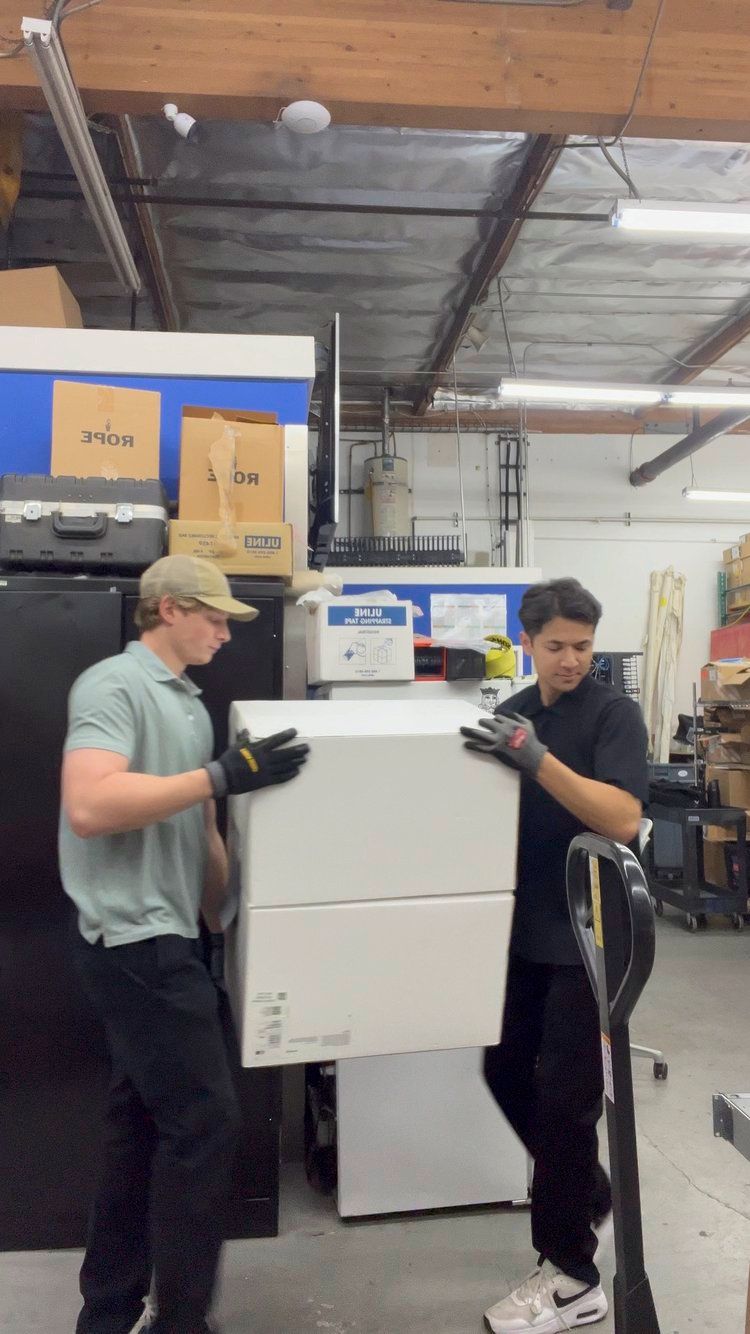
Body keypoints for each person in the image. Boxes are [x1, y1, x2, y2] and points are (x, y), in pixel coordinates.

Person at [59, 555, 309, 1334]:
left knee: (140, 1127)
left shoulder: (190, 705)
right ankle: (181, 1322)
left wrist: (228, 922)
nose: (226, 632)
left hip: (175, 938)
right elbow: (90, 805)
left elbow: (200, 827)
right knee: (204, 1123)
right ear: (168, 608)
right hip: (133, 939)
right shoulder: (113, 686)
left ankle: (108, 1312)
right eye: (214, 616)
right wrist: (219, 777)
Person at [460, 578, 649, 1334]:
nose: (572, 660)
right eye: (557, 646)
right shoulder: (514, 715)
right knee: (503, 1071)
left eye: (583, 647)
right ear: (528, 642)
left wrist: (536, 760)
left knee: (566, 1103)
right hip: (520, 929)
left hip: (591, 936)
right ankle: (586, 1192)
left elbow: (622, 819)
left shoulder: (612, 715)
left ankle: (572, 1277)